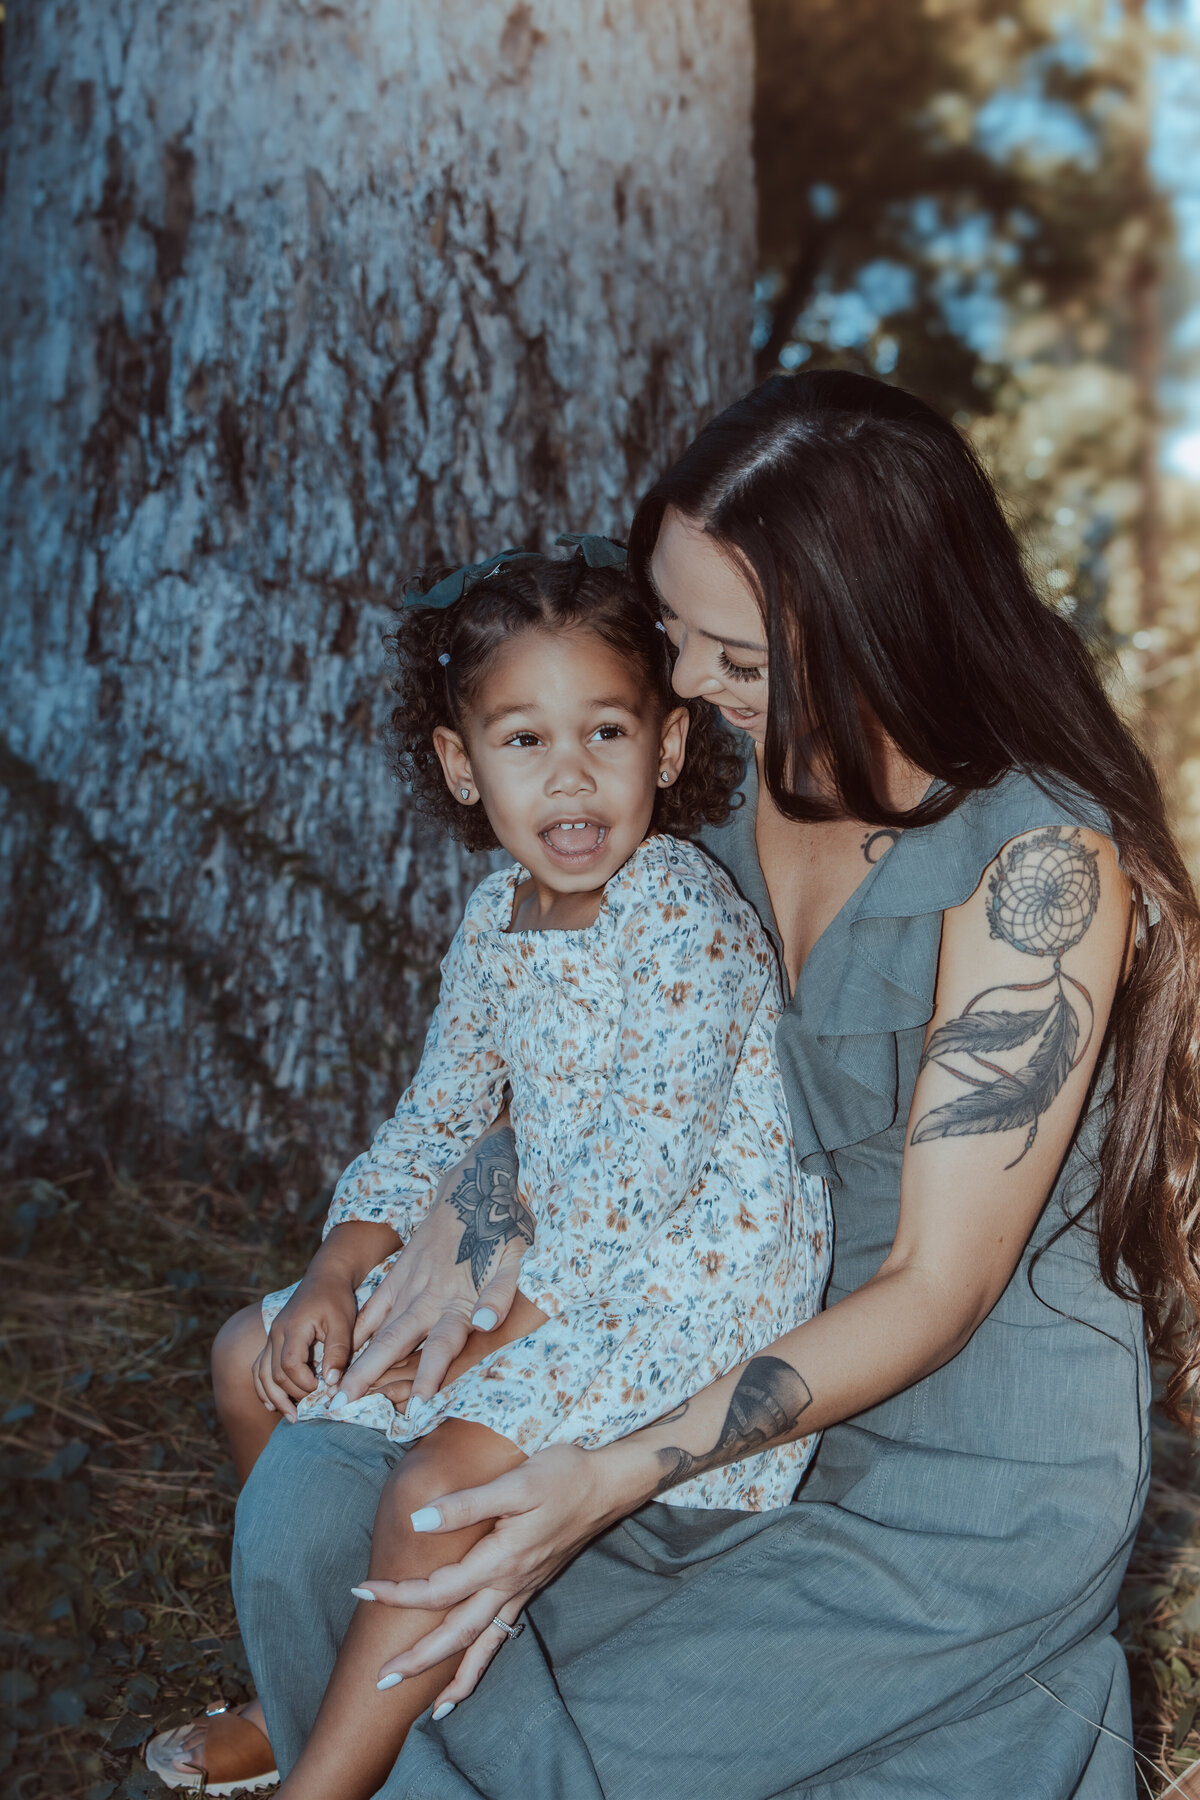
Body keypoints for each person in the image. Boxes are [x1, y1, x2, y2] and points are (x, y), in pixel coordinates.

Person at [229, 370, 1200, 1800]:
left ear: (879, 629)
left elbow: (937, 1290)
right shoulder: (739, 790)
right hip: (694, 1352)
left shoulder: (1038, 869)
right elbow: (600, 1070)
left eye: (731, 652)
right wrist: (464, 1212)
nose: (679, 684)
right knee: (316, 1492)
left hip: (944, 1484)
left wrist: (614, 1475)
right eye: (674, 631)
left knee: (540, 1738)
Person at [146, 540, 830, 1796]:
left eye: (606, 733)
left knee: (435, 1480)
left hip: (684, 1286)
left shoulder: (675, 914)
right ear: (463, 767)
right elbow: (437, 1117)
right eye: (523, 741)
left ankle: (324, 1783)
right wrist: (333, 1274)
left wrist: (477, 1336)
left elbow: (638, 1197)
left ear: (667, 749)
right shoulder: (495, 918)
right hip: (542, 1250)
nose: (569, 777)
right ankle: (294, 1686)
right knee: (252, 1362)